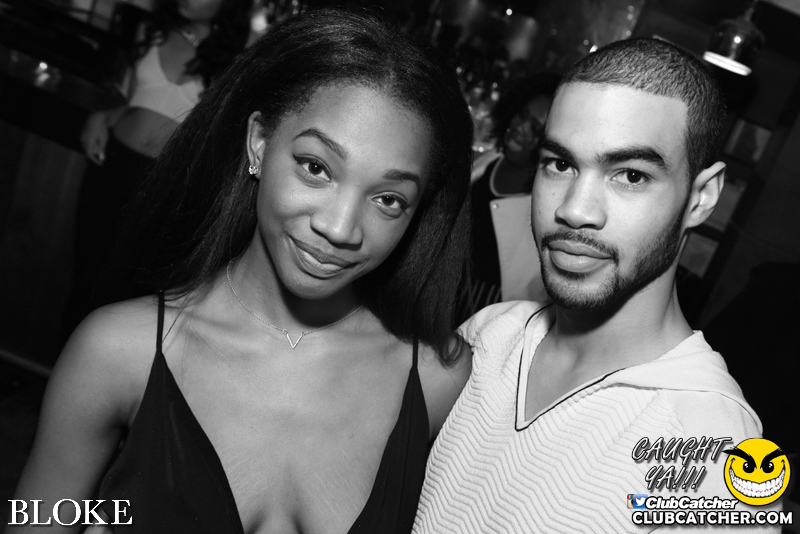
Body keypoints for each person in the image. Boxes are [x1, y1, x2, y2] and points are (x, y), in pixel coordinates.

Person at [12, 9, 473, 534]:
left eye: (388, 199)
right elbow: (37, 518)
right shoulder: (119, 352)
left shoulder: (436, 380)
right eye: (316, 168)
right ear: (259, 142)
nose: (340, 228)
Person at [414, 38, 777, 532]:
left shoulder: (714, 452)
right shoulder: (491, 334)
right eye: (560, 164)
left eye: (631, 175)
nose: (575, 209)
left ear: (701, 198)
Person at [62, 0, 252, 339]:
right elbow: (134, 101)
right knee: (86, 275)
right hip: (113, 165)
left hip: (169, 185)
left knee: (134, 293)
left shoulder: (238, 59)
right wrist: (102, 116)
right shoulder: (150, 32)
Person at [466, 73, 559, 315]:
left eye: (536, 129)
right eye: (522, 115)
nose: (519, 128)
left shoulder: (547, 208)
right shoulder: (487, 162)